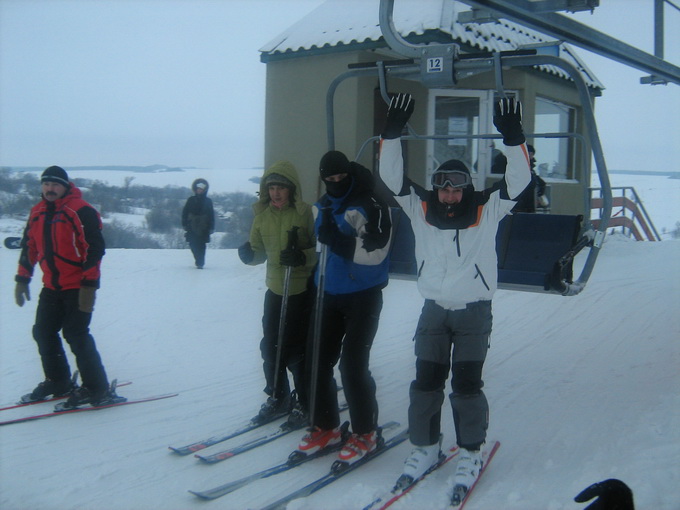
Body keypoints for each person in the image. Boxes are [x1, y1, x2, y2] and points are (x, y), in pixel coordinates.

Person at [378, 94, 531, 501]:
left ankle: (470, 453)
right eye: (443, 186)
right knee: (425, 384)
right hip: (433, 311)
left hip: (473, 313)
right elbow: (391, 177)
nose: (449, 194)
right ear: (436, 188)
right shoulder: (419, 208)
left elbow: (519, 181)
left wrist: (513, 138)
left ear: (468, 188)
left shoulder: (487, 209)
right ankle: (425, 447)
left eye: (457, 186)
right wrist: (391, 132)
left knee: (466, 386)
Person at [293, 150, 393, 467]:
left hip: (363, 295)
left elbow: (377, 253)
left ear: (349, 175)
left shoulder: (371, 204)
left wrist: (337, 240)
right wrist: (310, 271)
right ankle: (326, 426)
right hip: (329, 293)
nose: (335, 183)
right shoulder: (322, 205)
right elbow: (322, 251)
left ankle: (365, 432)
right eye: (330, 179)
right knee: (315, 361)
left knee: (352, 366)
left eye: (340, 178)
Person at [14, 165, 119, 408]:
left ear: (65, 186)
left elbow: (94, 249)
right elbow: (29, 247)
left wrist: (89, 285)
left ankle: (96, 388)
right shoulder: (37, 212)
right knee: (43, 332)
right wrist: (22, 278)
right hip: (51, 286)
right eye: (46, 184)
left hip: (78, 287)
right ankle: (58, 380)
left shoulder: (81, 210)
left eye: (55, 184)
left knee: (76, 334)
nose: (50, 189)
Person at [237, 162, 316, 426]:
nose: (276, 193)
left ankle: (305, 400)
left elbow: (321, 250)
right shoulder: (262, 217)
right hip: (275, 291)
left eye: (281, 187)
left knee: (297, 351)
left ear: (291, 189)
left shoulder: (305, 214)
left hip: (300, 291)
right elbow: (259, 252)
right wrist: (249, 256)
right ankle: (278, 396)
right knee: (270, 347)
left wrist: (302, 256)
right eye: (271, 188)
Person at [182, 178, 215, 268]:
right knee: (192, 244)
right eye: (198, 189)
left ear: (204, 190)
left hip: (204, 226)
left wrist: (212, 227)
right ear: (195, 189)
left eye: (201, 189)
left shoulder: (208, 201)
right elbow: (185, 212)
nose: (199, 190)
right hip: (191, 225)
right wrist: (184, 224)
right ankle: (198, 259)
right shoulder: (191, 199)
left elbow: (211, 214)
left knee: (201, 245)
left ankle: (200, 263)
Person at [511, 144, 548, 213]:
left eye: (531, 154)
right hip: (521, 205)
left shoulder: (530, 169)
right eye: (529, 153)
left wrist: (539, 192)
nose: (530, 156)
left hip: (528, 204)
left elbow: (539, 182)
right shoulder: (518, 167)